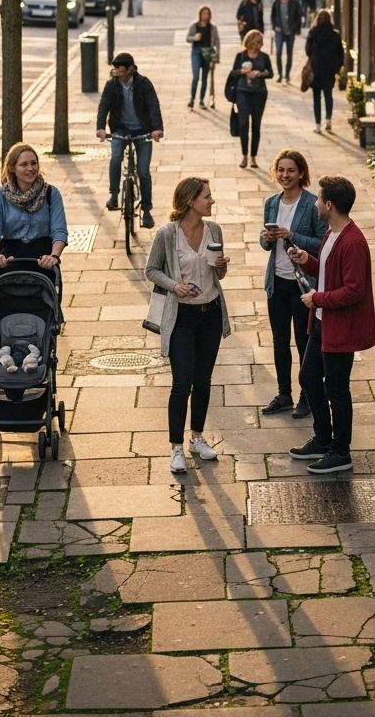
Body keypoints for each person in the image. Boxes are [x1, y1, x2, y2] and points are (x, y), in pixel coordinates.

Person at [287, 175, 375, 473]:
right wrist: (305, 259)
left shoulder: (352, 242)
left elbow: (354, 291)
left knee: (337, 390)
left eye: (318, 199)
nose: (314, 203)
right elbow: (326, 270)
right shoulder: (331, 233)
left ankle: (341, 451)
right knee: (309, 378)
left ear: (329, 204)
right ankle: (323, 438)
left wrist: (318, 299)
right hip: (324, 323)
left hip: (340, 328)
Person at [145, 177, 232, 474]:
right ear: (190, 200)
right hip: (181, 317)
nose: (212, 201)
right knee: (182, 383)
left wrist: (221, 267)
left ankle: (197, 437)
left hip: (210, 314)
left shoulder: (214, 230)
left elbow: (219, 276)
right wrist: (175, 286)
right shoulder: (167, 234)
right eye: (207, 197)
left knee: (203, 380)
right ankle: (176, 448)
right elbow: (151, 270)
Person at [259, 150, 328, 419]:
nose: (285, 176)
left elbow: (322, 244)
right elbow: (265, 244)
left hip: (302, 285)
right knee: (279, 341)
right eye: (280, 170)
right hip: (276, 282)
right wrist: (267, 238)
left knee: (303, 342)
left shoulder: (312, 204)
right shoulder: (271, 202)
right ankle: (284, 393)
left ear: (301, 173)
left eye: (290, 170)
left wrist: (292, 235)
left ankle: (306, 396)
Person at [97, 52, 164, 228]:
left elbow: (153, 104)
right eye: (115, 68)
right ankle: (113, 195)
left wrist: (157, 129)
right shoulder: (112, 85)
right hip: (120, 129)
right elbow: (104, 104)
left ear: (130, 69)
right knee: (116, 157)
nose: (116, 71)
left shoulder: (143, 83)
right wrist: (101, 128)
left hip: (143, 130)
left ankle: (147, 211)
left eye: (119, 68)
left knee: (143, 172)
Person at [0, 142, 68, 276]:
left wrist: (54, 256)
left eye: (34, 163)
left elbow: (59, 231)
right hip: (10, 259)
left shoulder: (51, 193)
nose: (30, 168)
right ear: (12, 168)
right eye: (24, 164)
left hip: (42, 259)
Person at [231, 29, 273, 168]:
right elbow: (233, 73)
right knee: (243, 124)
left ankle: (253, 157)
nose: (259, 45)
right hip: (242, 93)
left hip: (259, 93)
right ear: (250, 42)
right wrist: (243, 72)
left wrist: (259, 74)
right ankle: (244, 156)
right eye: (257, 42)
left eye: (260, 43)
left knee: (256, 125)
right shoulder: (241, 56)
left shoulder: (264, 57)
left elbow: (270, 73)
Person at [305, 10, 345, 133]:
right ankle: (328, 120)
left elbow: (308, 51)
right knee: (328, 95)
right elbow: (340, 54)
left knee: (316, 98)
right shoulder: (335, 35)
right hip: (329, 69)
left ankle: (317, 125)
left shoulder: (312, 33)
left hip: (316, 68)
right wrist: (337, 68)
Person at [186, 5, 220, 110]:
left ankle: (201, 100)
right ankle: (192, 99)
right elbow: (187, 38)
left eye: (207, 13)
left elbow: (217, 41)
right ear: (200, 14)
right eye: (204, 13)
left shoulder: (213, 27)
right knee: (196, 76)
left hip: (208, 53)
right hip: (196, 52)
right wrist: (194, 38)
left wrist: (217, 54)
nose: (206, 15)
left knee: (205, 78)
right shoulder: (194, 26)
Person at [270, 0, 303, 83]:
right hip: (279, 32)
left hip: (290, 32)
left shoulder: (294, 1)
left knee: (289, 53)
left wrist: (298, 29)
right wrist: (275, 26)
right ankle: (280, 75)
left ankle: (287, 75)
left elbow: (299, 16)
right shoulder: (276, 2)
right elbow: (273, 16)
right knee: (278, 52)